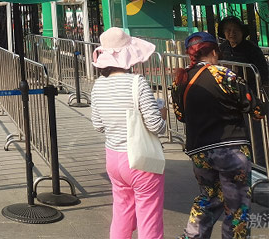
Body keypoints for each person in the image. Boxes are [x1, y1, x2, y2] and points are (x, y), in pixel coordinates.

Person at [171, 31, 264, 239]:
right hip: (231, 150)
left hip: (199, 151)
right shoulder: (223, 74)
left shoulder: (180, 80)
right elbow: (255, 109)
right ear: (214, 52)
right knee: (237, 206)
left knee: (208, 198)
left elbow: (180, 116)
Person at [90, 27, 166, 239]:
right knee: (149, 215)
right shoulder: (137, 82)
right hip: (140, 160)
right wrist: (163, 117)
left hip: (113, 159)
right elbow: (155, 125)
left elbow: (98, 125)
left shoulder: (98, 86)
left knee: (121, 212)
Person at [217, 16, 268, 89]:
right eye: (228, 30)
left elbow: (263, 72)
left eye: (236, 29)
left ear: (242, 32)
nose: (231, 33)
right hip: (228, 87)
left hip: (249, 88)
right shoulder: (222, 47)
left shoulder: (252, 49)